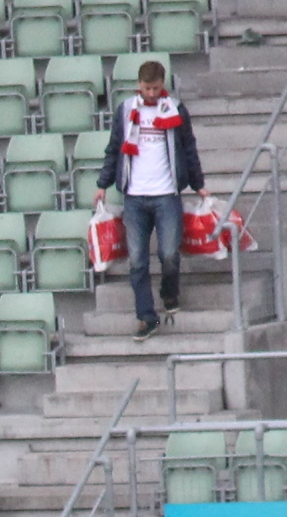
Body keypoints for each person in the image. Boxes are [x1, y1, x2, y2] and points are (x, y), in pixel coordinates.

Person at [96, 57, 200, 339]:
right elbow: (114, 148)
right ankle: (145, 316)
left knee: (169, 253)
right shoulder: (126, 110)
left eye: (155, 88)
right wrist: (103, 183)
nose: (151, 94)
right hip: (134, 196)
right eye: (147, 88)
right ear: (138, 85)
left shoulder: (175, 109)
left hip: (166, 193)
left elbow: (188, 147)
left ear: (162, 85)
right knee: (138, 259)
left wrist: (198, 183)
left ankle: (169, 292)